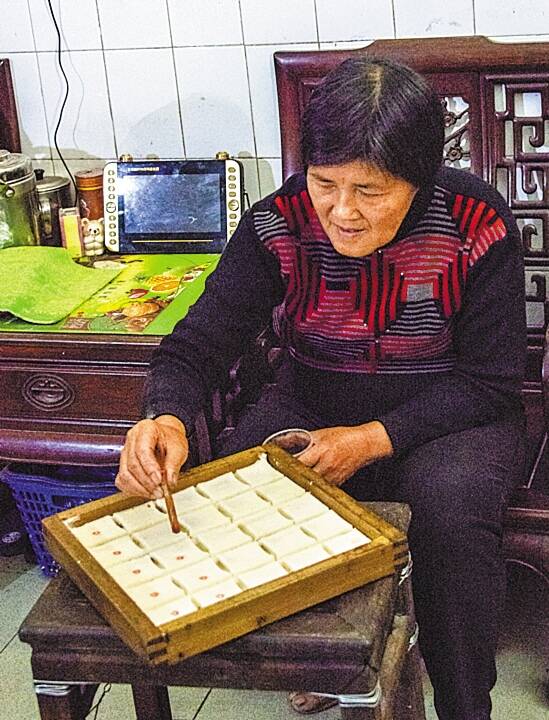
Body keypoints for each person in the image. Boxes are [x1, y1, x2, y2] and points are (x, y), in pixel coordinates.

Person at [116, 57, 526, 720]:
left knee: (449, 516)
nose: (342, 211)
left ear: (420, 178)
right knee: (238, 490)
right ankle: (328, 660)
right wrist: (165, 416)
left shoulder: (476, 221)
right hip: (315, 396)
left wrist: (368, 440)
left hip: (451, 412)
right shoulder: (278, 222)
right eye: (324, 183)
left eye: (370, 190)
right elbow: (195, 346)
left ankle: (462, 700)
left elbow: (491, 381)